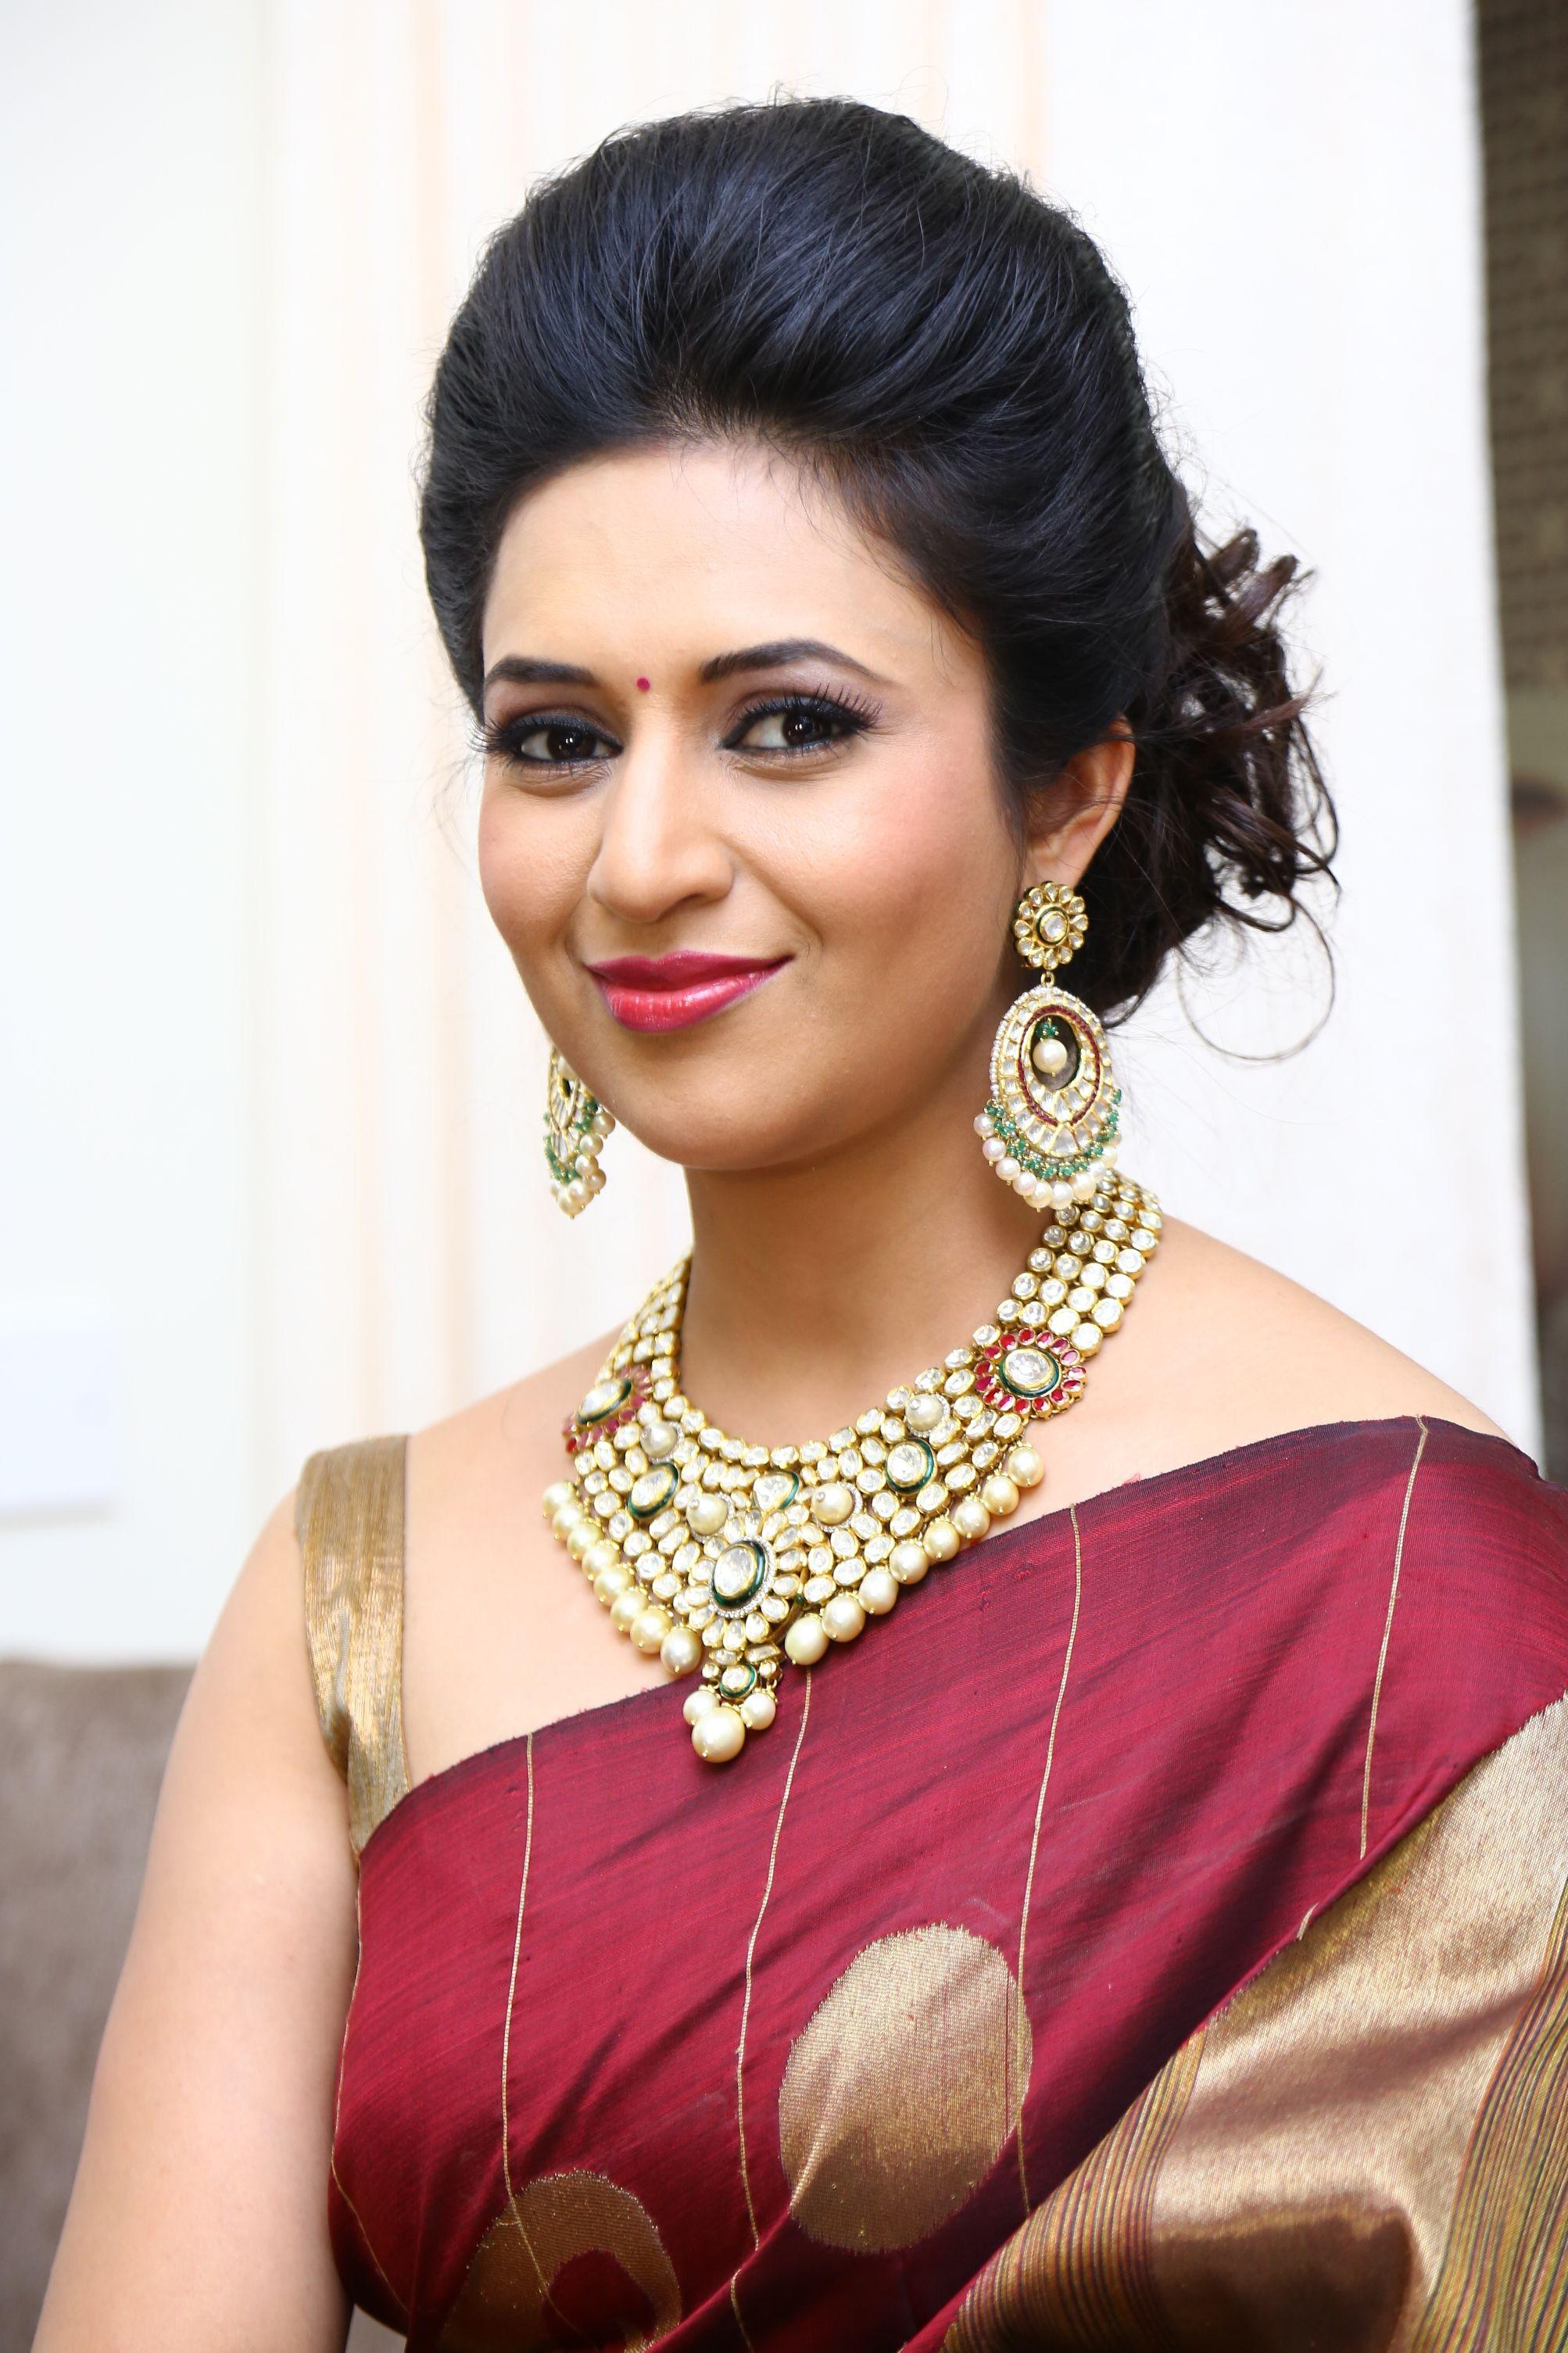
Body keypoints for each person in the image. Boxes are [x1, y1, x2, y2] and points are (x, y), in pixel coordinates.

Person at [38, 98, 1568, 2353]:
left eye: (784, 724)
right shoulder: (351, 1595)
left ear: (1070, 792)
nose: (640, 856)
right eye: (556, 739)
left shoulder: (1407, 1593)